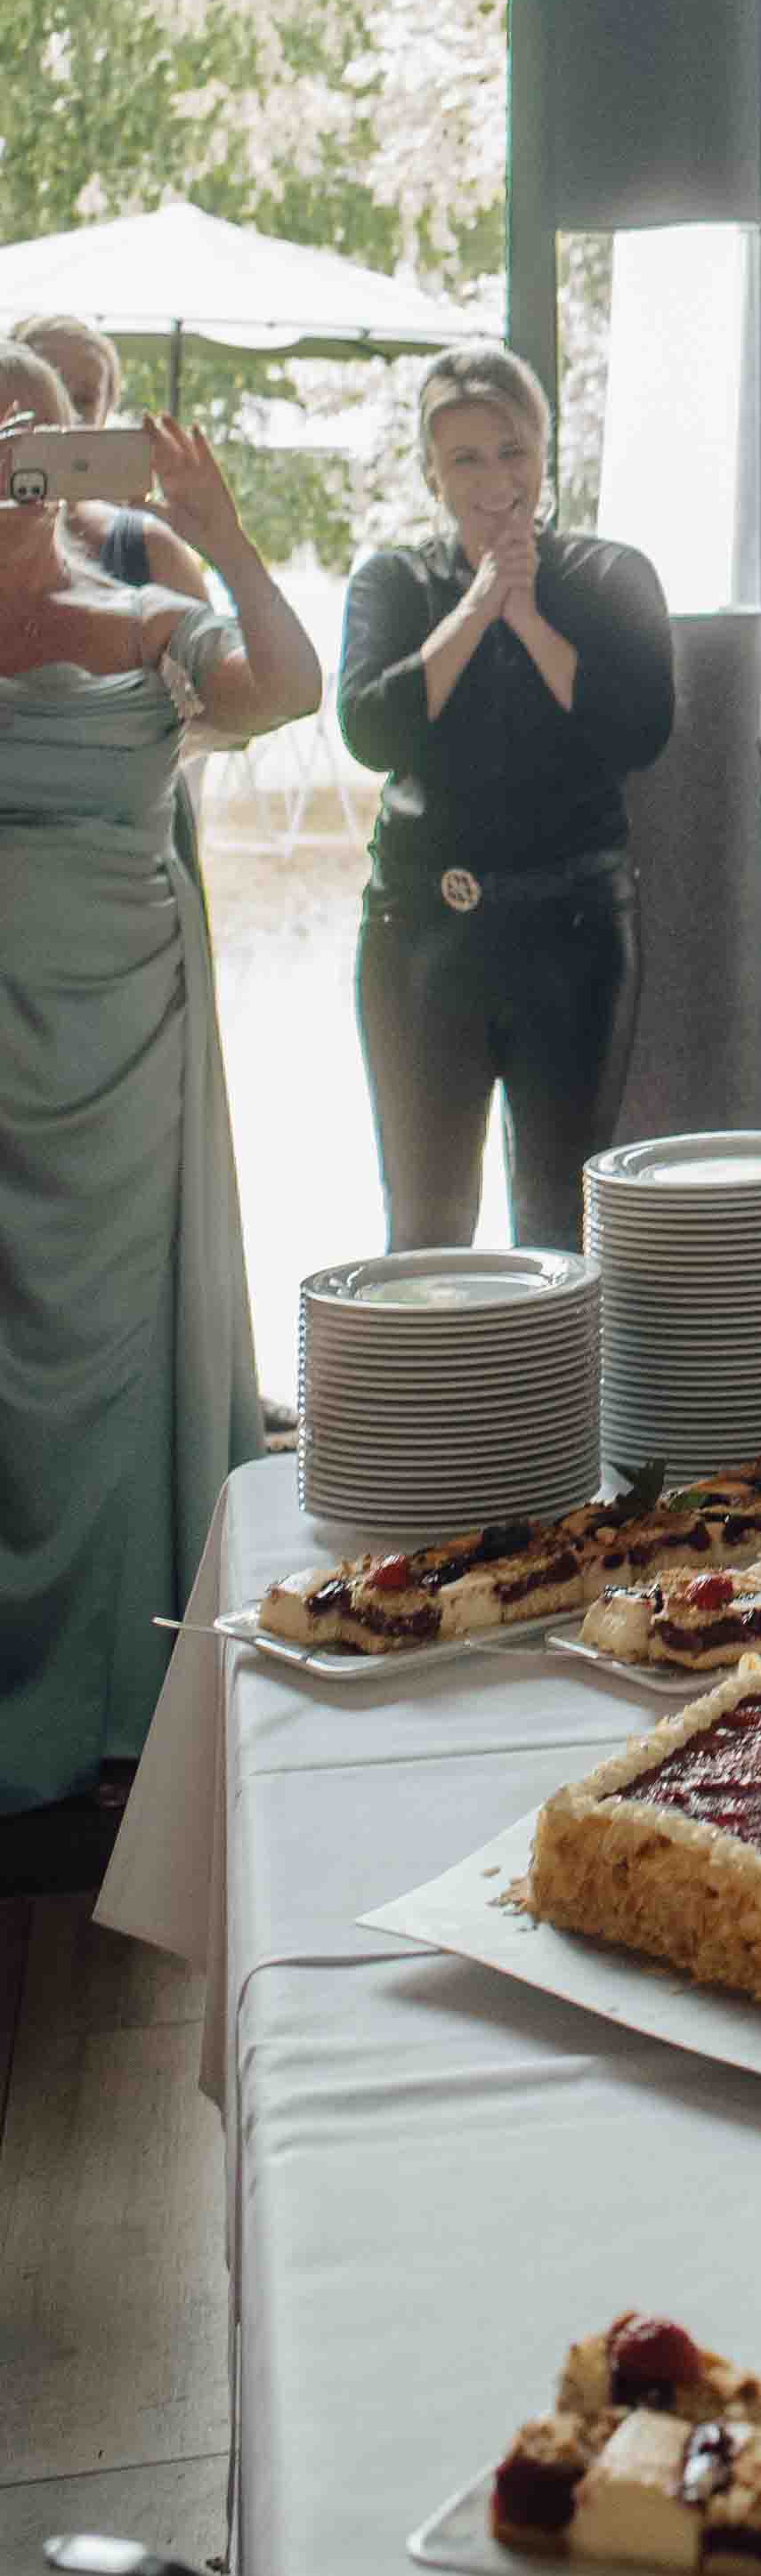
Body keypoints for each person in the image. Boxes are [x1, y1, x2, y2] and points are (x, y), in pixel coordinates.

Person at [0, 351, 319, 1817]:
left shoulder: (140, 615)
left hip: (117, 1042)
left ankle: (123, 1694)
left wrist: (224, 525)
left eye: (30, 428)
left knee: (117, 1352)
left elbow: (293, 687)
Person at [337, 345, 676, 1255]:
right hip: (420, 932)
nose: (495, 480)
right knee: (426, 1219)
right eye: (466, 459)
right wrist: (478, 606)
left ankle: (555, 1401)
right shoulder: (393, 582)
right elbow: (372, 731)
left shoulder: (611, 575)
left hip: (573, 929)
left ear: (545, 453)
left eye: (512, 451)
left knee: (560, 1219)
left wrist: (525, 615)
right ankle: (430, 1400)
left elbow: (639, 733)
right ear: (432, 475)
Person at [12, 310, 212, 601]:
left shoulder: (145, 547)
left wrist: (226, 549)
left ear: (106, 411)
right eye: (47, 387)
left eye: (83, 400)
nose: (65, 413)